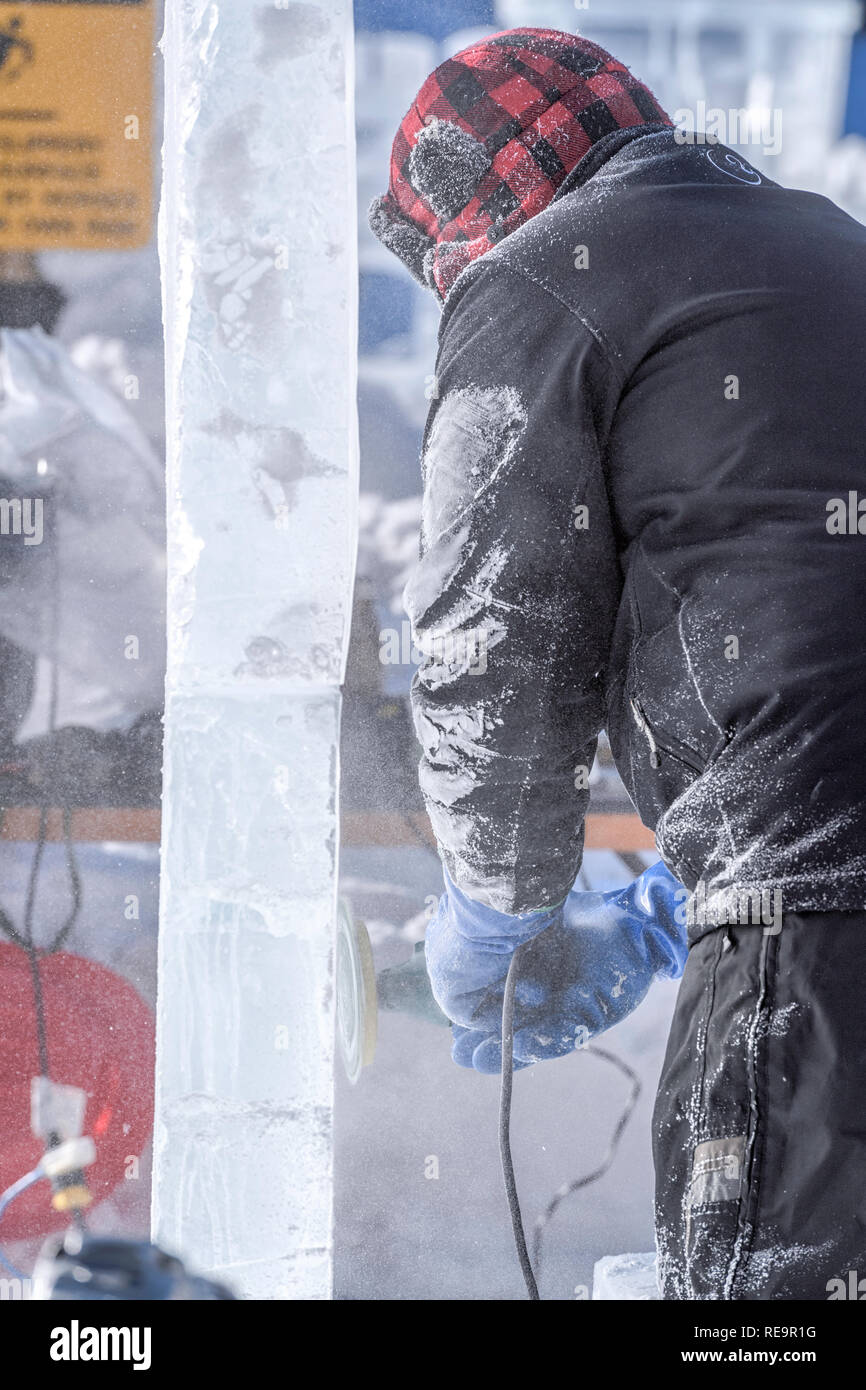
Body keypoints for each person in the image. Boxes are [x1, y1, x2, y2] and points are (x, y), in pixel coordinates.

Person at [369, 26, 866, 1300]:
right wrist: (658, 914)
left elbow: (497, 639)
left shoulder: (537, 279)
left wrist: (497, 909)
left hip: (805, 939)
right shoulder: (826, 242)